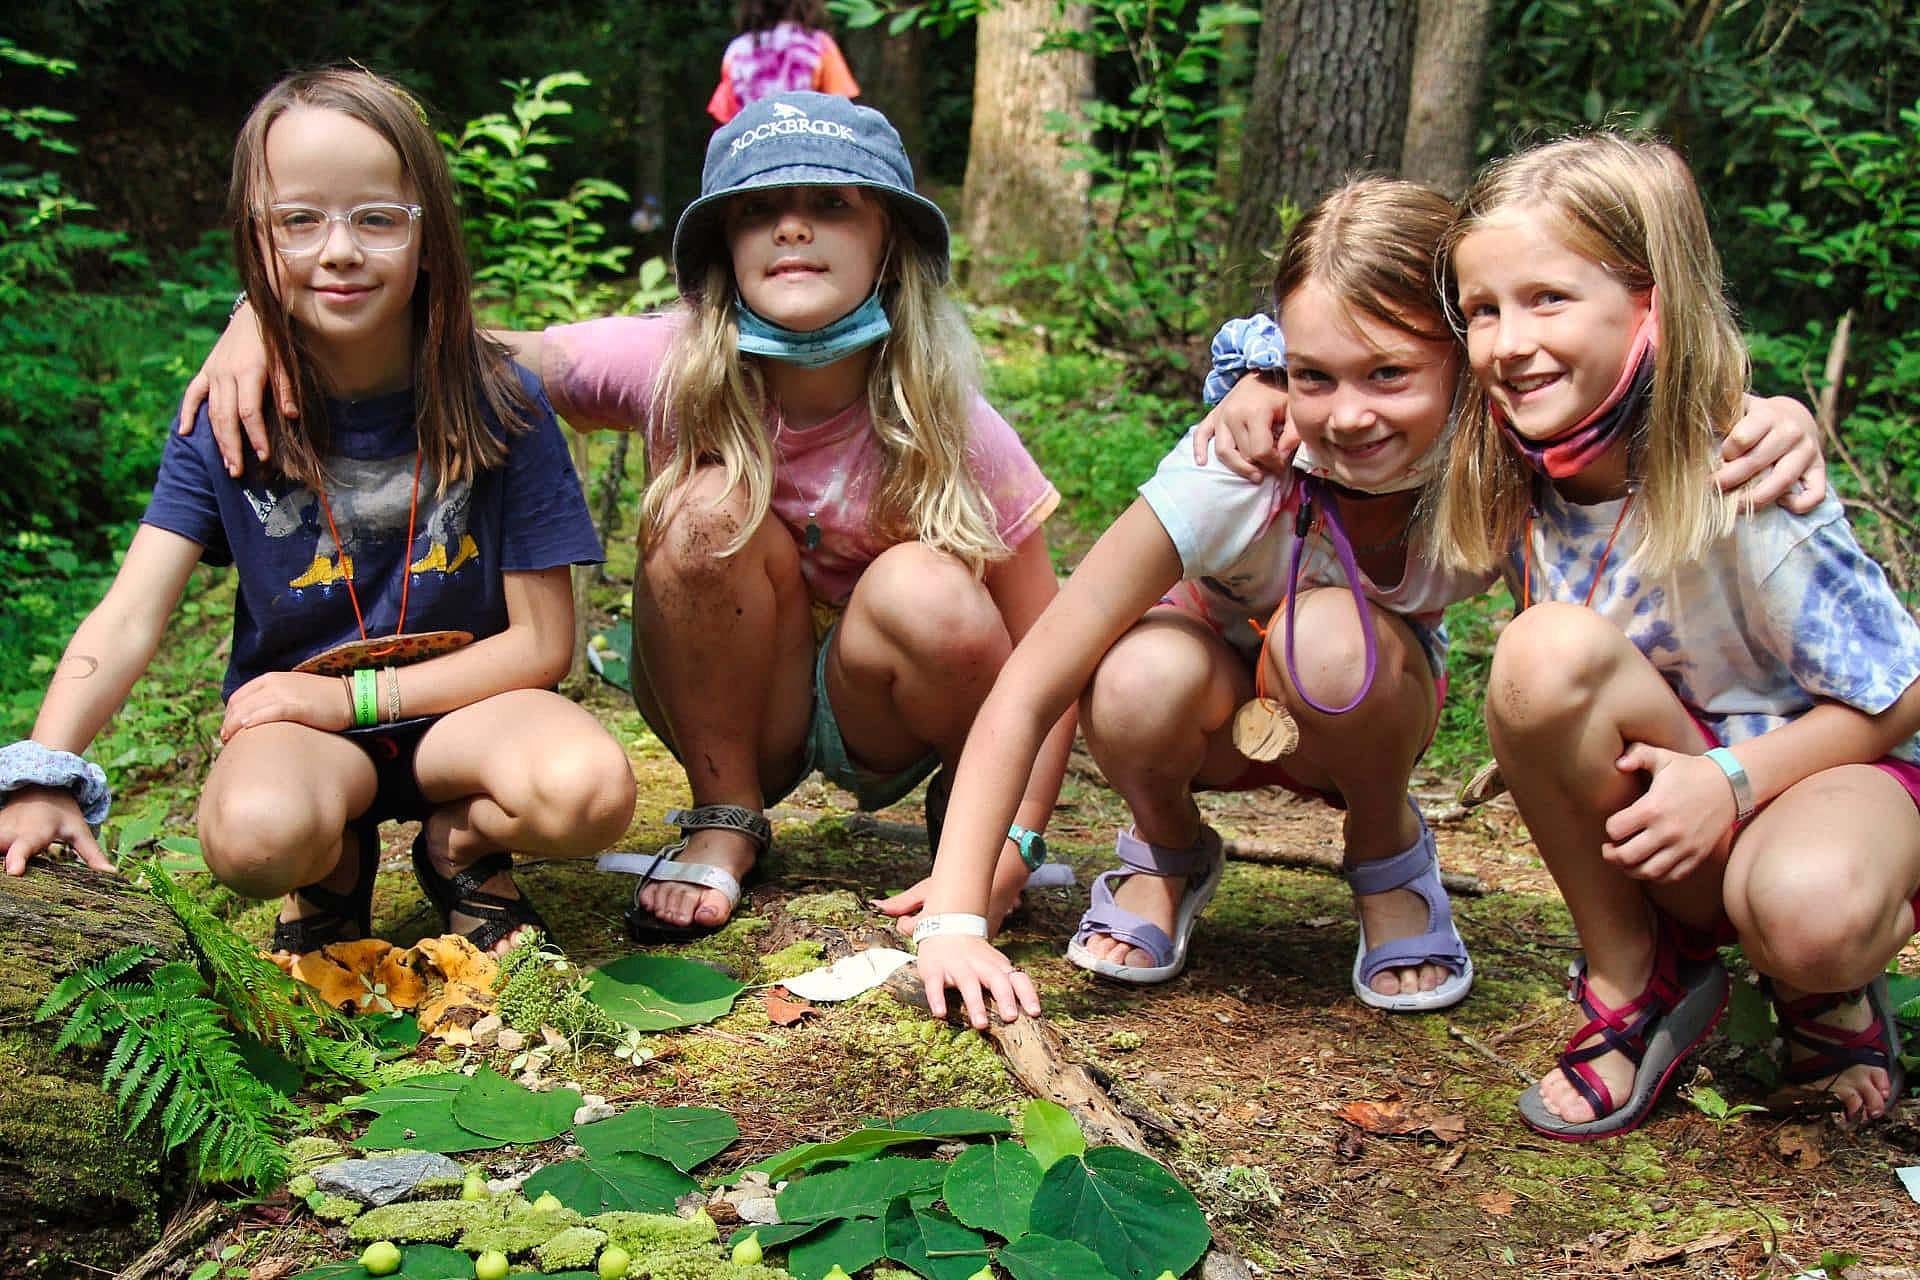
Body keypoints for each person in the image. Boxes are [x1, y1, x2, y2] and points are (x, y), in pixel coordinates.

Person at [179, 91, 1071, 944]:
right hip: (733, 686)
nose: (793, 228)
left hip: (883, 705)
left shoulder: (948, 418)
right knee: (704, 508)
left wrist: (1022, 839)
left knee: (926, 583)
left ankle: (975, 822)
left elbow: (1054, 647)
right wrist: (260, 314)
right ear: (724, 246)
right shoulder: (672, 359)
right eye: (761, 210)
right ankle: (727, 817)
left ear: (890, 240)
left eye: (832, 204)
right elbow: (450, 350)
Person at [0, 68, 637, 959]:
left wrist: (351, 700)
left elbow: (541, 645)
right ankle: (331, 861)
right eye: (299, 220)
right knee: (254, 836)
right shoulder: (229, 417)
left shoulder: (503, 404)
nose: (339, 249)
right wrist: (43, 770)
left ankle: (459, 847)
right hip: (299, 738)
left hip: (470, 720)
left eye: (377, 218)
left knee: (588, 790)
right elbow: (132, 612)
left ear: (429, 237)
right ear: (254, 238)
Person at [914, 179, 1494, 1027]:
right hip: (1207, 704)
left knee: (1329, 641)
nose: (1348, 415)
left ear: (1467, 352)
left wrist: (1762, 416)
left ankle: (1385, 846)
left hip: (1363, 708)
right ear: (1278, 362)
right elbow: (1034, 679)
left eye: (1390, 373)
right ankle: (1169, 847)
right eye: (1313, 376)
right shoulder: (1238, 471)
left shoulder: (1503, 469)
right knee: (1133, 672)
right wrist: (956, 921)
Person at [1432, 132, 1920, 1136]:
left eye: (1547, 298)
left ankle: (1824, 992)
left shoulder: (1744, 471)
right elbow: (1363, 369)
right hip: (1680, 796)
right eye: (1482, 309)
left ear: (1649, 300)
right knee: (1541, 653)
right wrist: (1258, 399)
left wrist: (1730, 780)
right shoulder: (1520, 468)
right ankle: (1638, 977)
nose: (1507, 341)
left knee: (1805, 906)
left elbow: (1901, 692)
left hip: (1830, 775)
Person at [708, 0, 860, 125]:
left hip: (752, 156)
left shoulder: (736, 52)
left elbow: (725, 119)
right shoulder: (819, 45)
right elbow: (843, 113)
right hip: (809, 153)